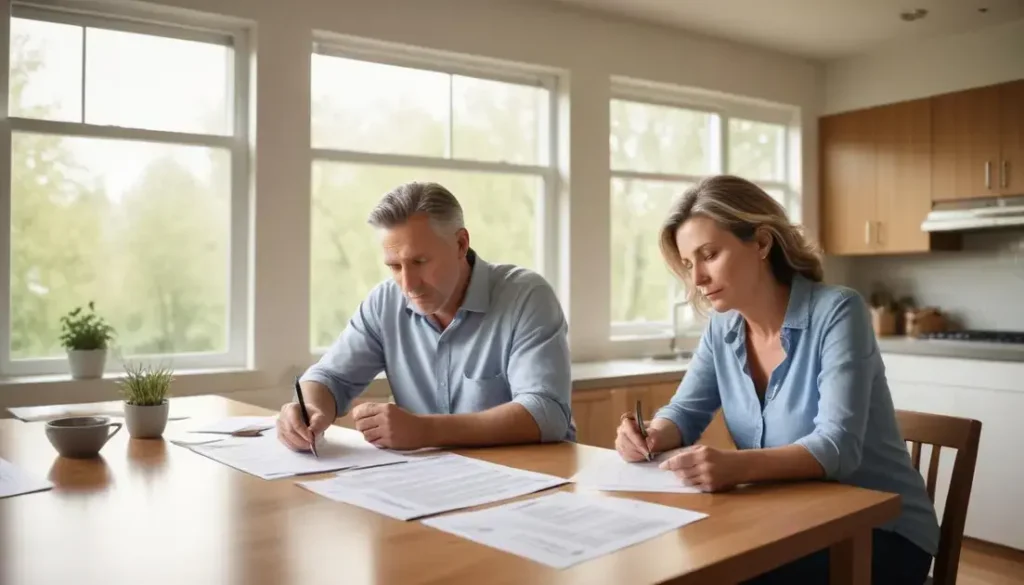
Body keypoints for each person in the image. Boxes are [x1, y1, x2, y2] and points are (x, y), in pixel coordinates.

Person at [614, 175, 938, 584]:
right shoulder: (722, 329)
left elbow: (837, 448)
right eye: (689, 264)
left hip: (881, 533)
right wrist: (653, 433)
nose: (697, 279)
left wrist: (734, 467)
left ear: (762, 243)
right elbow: (685, 411)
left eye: (709, 254)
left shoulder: (838, 311)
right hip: (790, 522)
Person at [277, 181, 574, 452]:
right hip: (430, 484)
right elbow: (329, 377)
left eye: (419, 261)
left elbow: (546, 412)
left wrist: (425, 429)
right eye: (394, 266)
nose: (408, 284)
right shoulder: (384, 302)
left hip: (533, 480)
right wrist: (307, 409)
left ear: (461, 244)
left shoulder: (527, 296)